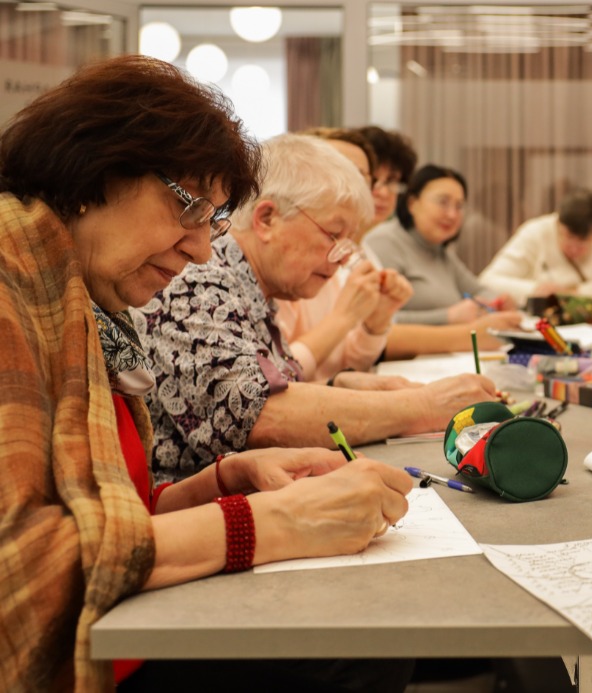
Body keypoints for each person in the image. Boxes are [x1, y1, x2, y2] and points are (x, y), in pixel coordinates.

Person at [0, 55, 414, 692]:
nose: (200, 247)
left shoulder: (88, 304)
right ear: (94, 173)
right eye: (187, 207)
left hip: (129, 618)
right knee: (360, 642)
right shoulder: (13, 290)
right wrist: (274, 523)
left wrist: (222, 483)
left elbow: (117, 516)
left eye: (214, 221)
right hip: (102, 645)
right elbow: (21, 572)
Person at [136, 135, 501, 484]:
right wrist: (423, 405)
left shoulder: (252, 285)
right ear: (267, 219)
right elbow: (255, 416)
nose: (341, 258)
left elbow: (263, 389)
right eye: (333, 235)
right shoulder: (201, 282)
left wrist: (339, 385)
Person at [273, 127, 414, 383]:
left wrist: (375, 322)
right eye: (338, 173)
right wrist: (345, 318)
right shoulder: (287, 261)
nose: (351, 187)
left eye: (360, 177)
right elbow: (271, 380)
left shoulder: (350, 252)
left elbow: (344, 368)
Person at [363, 164, 517, 326]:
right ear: (412, 203)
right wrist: (447, 316)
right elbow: (371, 319)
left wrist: (497, 302)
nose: (452, 214)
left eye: (458, 206)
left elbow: (478, 291)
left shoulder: (440, 251)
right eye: (443, 202)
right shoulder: (384, 242)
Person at [479, 187, 592, 305]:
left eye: (584, 242)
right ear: (557, 222)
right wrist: (536, 290)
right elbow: (487, 281)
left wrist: (578, 292)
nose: (574, 249)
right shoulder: (535, 232)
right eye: (567, 237)